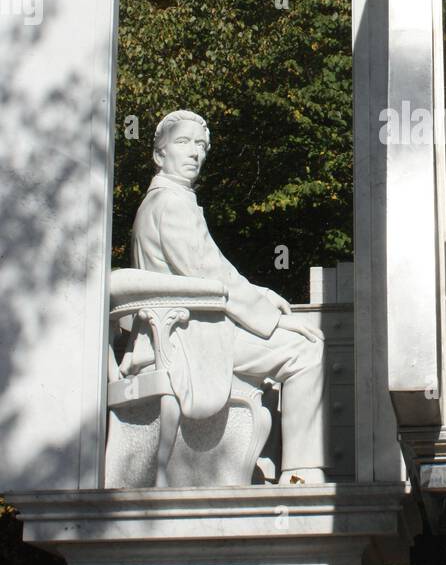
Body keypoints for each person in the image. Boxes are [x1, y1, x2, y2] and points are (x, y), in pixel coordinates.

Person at [131, 110, 327, 479]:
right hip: (190, 337)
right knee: (306, 350)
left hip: (188, 330)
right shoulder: (170, 205)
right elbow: (209, 277)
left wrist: (261, 292)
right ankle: (301, 472)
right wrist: (272, 319)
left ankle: (261, 463)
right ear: (160, 155)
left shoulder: (163, 202)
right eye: (184, 142)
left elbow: (211, 270)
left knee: (296, 346)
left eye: (201, 145)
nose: (195, 153)